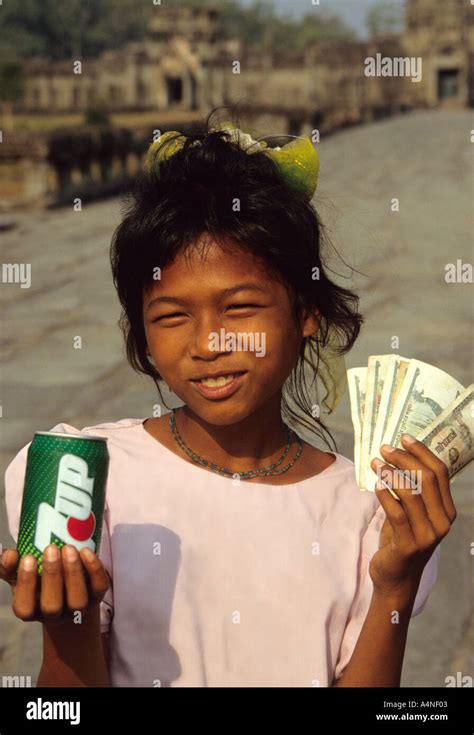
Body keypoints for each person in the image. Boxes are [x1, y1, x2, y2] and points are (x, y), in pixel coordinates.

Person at [1, 109, 455, 687]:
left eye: (240, 308)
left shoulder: (364, 512)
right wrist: (71, 618)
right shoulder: (89, 483)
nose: (209, 344)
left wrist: (396, 583)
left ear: (307, 311)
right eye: (171, 316)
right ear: (141, 332)